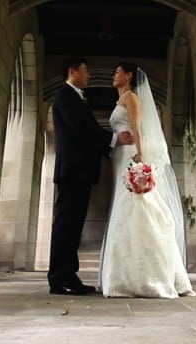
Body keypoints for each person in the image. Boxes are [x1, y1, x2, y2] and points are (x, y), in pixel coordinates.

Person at [99, 62, 194, 298]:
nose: (114, 75)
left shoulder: (131, 98)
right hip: (119, 157)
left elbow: (137, 127)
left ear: (129, 76)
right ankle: (124, 273)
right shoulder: (120, 99)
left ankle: (146, 275)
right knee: (125, 209)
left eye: (117, 71)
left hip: (131, 155)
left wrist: (140, 155)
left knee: (137, 208)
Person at [48, 57, 134, 296]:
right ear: (72, 71)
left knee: (73, 227)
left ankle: (69, 276)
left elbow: (85, 131)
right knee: (66, 226)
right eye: (85, 71)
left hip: (79, 171)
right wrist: (114, 139)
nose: (89, 75)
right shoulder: (65, 96)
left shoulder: (74, 97)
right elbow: (82, 129)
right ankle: (59, 279)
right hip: (73, 171)